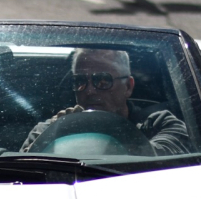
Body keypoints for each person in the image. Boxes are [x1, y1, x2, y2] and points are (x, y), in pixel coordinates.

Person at [20, 48, 190, 155]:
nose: (89, 90)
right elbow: (22, 176)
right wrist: (53, 135)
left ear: (128, 87)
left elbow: (159, 165)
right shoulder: (46, 130)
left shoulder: (161, 125)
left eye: (102, 81)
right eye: (79, 82)